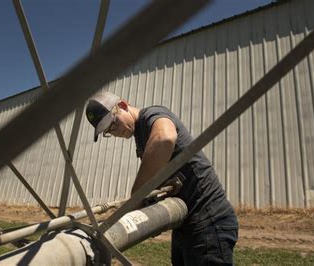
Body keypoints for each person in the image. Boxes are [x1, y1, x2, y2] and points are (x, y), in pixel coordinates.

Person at [85, 91, 239, 265]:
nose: (114, 132)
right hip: (185, 225)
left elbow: (164, 139)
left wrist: (137, 195)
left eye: (113, 124)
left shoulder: (152, 115)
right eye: (107, 131)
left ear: (123, 105)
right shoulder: (140, 136)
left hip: (209, 221)